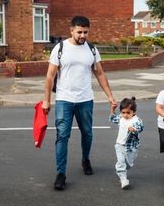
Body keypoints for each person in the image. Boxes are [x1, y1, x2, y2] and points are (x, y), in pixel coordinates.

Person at [42, 15, 117, 191]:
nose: (83, 35)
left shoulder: (91, 49)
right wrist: (47, 100)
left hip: (85, 99)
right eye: (79, 32)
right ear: (71, 30)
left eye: (86, 32)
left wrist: (110, 96)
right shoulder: (60, 48)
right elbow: (50, 75)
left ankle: (85, 159)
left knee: (87, 133)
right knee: (62, 136)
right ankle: (60, 173)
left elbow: (100, 73)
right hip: (64, 99)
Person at [109, 97, 144, 189]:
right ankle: (123, 178)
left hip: (132, 147)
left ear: (134, 112)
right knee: (121, 162)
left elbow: (140, 128)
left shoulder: (136, 120)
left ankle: (123, 170)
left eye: (128, 113)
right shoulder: (121, 118)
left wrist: (134, 129)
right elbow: (113, 119)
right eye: (123, 112)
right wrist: (112, 109)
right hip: (120, 145)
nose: (125, 115)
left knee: (128, 164)